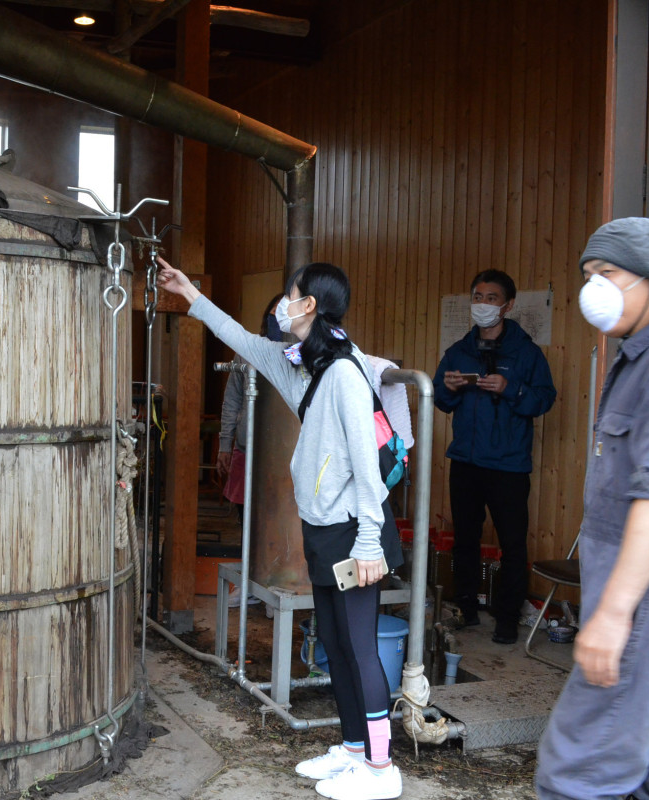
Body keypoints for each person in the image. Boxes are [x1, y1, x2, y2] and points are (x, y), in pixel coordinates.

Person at [157, 256, 404, 800]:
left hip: (355, 531)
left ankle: (383, 770)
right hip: (323, 528)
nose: (280, 305)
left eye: (289, 295)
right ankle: (353, 749)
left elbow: (368, 467)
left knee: (360, 646)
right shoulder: (302, 365)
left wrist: (368, 541)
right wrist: (189, 295)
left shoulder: (341, 371)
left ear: (309, 305)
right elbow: (240, 338)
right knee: (337, 643)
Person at [536, 218, 649, 800]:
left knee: (577, 773)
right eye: (587, 275)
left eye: (606, 273)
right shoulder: (644, 351)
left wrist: (612, 614)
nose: (593, 288)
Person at [432, 270, 556, 644]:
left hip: (508, 466)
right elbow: (440, 399)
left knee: (512, 544)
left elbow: (544, 399)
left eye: (490, 298)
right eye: (478, 296)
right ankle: (466, 608)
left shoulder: (526, 353)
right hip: (466, 463)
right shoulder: (458, 350)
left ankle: (506, 617)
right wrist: (450, 388)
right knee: (465, 539)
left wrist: (511, 388)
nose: (482, 304)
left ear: (508, 305)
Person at [216, 293, 285, 518]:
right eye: (272, 314)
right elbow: (232, 401)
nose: (275, 319)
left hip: (285, 454)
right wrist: (225, 445)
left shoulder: (303, 356)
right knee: (245, 516)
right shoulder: (247, 352)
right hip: (247, 446)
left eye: (282, 315)